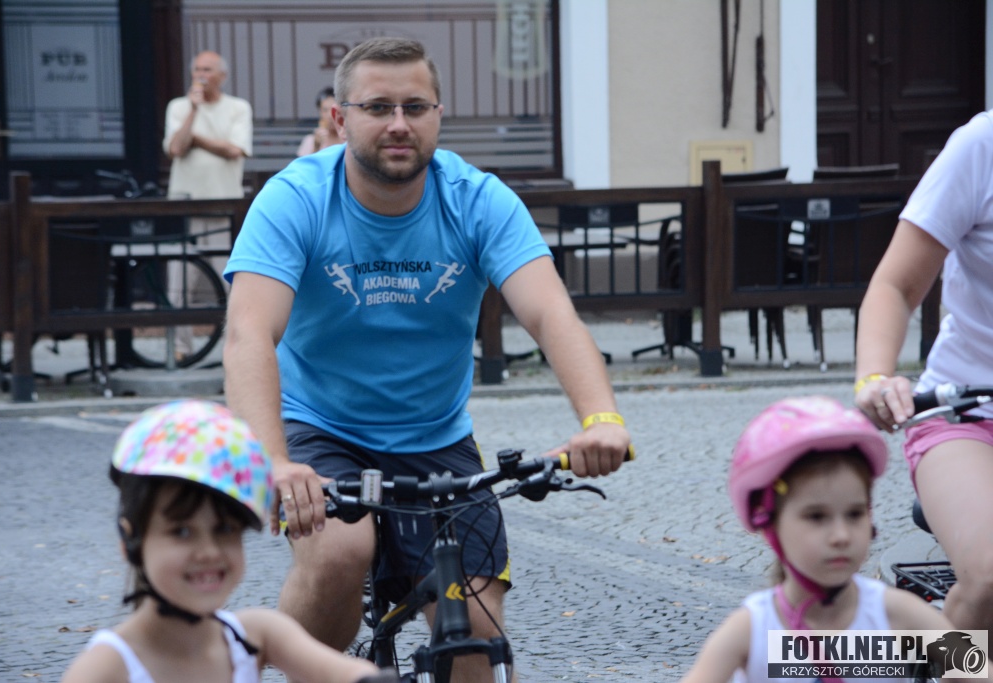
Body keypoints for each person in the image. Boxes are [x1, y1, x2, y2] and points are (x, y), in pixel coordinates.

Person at [222, 36, 631, 682]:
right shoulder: (295, 198)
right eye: (377, 107)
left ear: (438, 115)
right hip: (322, 427)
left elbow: (551, 314)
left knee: (473, 628)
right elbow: (248, 333)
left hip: (436, 437)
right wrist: (274, 462)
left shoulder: (477, 199)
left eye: (415, 107)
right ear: (339, 118)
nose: (398, 124)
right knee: (338, 552)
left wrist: (600, 417)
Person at [60, 400, 394, 683]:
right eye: (182, 532)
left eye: (224, 530)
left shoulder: (257, 635)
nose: (209, 552)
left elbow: (346, 673)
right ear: (130, 540)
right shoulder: (106, 667)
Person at [681, 396, 957, 683]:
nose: (841, 536)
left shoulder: (897, 613)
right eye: (816, 517)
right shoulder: (751, 631)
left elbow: (976, 668)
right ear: (769, 524)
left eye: (854, 514)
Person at [853, 108, 993, 631]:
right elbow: (895, 286)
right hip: (968, 414)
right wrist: (874, 377)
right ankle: (954, 660)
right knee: (989, 577)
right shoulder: (981, 146)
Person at [163, 50, 252, 361]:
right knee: (179, 284)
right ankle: (180, 349)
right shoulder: (179, 107)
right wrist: (193, 111)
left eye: (208, 70)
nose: (201, 75)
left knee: (230, 282)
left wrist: (196, 140)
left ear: (222, 76)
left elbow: (234, 150)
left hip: (221, 207)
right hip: (184, 207)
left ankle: (236, 349)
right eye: (197, 69)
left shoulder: (237, 107)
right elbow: (176, 148)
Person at [297, 86, 342, 156]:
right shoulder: (310, 141)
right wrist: (316, 146)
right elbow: (305, 163)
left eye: (333, 110)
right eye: (325, 110)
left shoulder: (349, 139)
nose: (330, 115)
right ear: (319, 112)